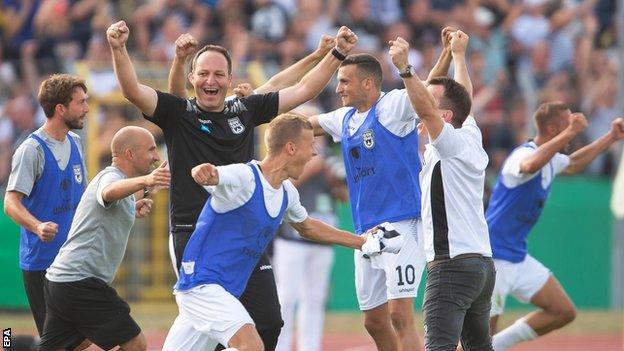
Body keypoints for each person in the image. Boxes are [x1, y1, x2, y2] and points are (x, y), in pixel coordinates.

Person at [107, 19, 358, 350]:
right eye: (204, 74)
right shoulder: (179, 114)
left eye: (219, 74)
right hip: (194, 235)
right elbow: (132, 90)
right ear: (193, 78)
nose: (211, 80)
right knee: (225, 330)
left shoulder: (244, 109)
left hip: (242, 236)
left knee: (267, 323)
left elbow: (302, 90)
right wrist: (118, 47)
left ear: (229, 79)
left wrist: (337, 53)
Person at [161, 113, 401, 351]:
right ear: (291, 148)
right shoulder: (245, 177)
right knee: (251, 347)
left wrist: (361, 242)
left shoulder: (287, 193)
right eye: (311, 145)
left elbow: (307, 226)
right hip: (202, 286)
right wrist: (204, 172)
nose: (315, 153)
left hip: (222, 292)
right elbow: (214, 174)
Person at [305, 27, 455, 351]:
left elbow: (426, 93)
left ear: (368, 83)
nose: (338, 87)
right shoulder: (343, 118)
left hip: (402, 223)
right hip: (365, 234)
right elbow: (305, 127)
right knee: (373, 321)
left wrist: (424, 62)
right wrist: (259, 111)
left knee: (400, 315)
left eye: (345, 81)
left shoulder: (392, 108)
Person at [486, 102, 624, 351]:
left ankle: (498, 345)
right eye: (567, 123)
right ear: (552, 129)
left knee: (563, 311)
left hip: (516, 256)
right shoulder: (523, 155)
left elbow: (572, 163)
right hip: (493, 258)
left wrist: (612, 136)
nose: (574, 128)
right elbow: (529, 166)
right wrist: (570, 133)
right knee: (478, 343)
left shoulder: (550, 159)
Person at [390, 31, 495, 350]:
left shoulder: (448, 142)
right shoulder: (469, 133)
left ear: (445, 117)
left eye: (431, 102)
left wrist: (406, 69)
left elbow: (425, 111)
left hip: (452, 266)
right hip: (482, 266)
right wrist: (459, 55)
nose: (421, 103)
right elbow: (465, 96)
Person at [38, 126, 170, 351]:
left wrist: (138, 200)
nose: (156, 156)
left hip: (62, 281)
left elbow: (116, 198)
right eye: (150, 150)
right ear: (129, 154)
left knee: (79, 342)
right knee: (136, 344)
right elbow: (108, 192)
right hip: (79, 282)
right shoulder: (110, 176)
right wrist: (146, 181)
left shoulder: (120, 182)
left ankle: (8, 342)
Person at [3, 74, 89, 337]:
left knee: (80, 336)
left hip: (72, 258)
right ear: (60, 109)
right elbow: (10, 202)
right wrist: (37, 225)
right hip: (41, 263)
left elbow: (83, 196)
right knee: (60, 340)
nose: (86, 108)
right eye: (80, 102)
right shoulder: (32, 150)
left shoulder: (75, 142)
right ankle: (11, 343)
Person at [273, 134, 342, 351]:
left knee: (314, 299)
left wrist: (333, 178)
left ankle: (310, 346)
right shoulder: (287, 157)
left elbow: (345, 195)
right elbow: (276, 188)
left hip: (322, 238)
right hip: (292, 238)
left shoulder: (330, 158)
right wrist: (311, 168)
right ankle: (280, 346)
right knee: (286, 296)